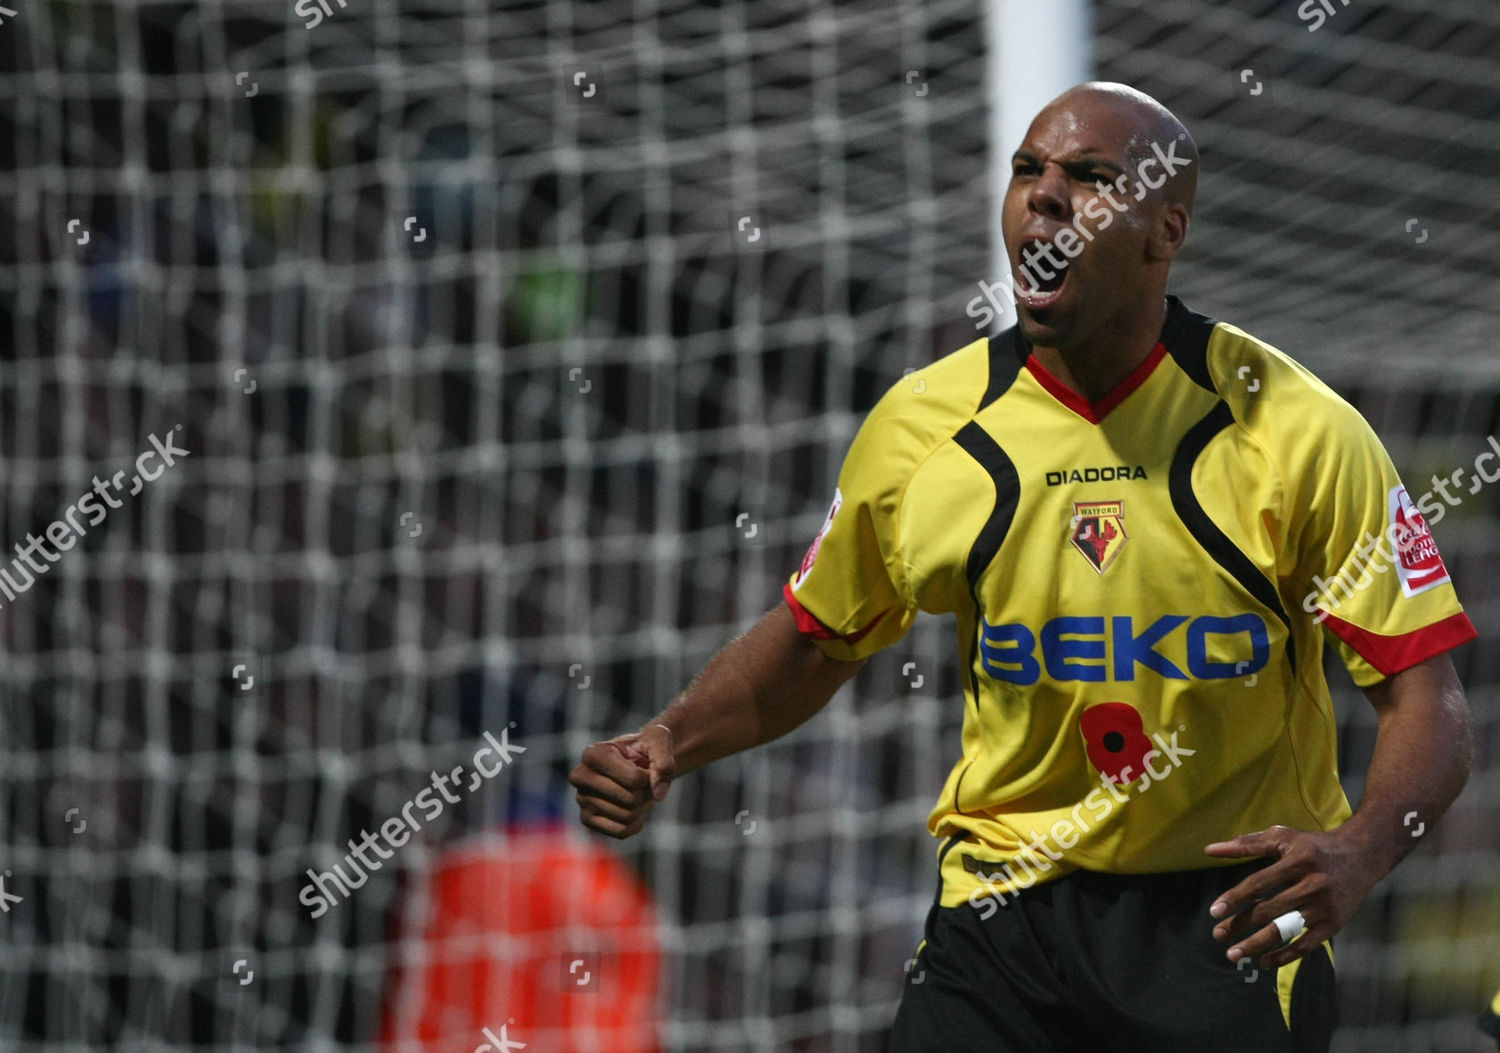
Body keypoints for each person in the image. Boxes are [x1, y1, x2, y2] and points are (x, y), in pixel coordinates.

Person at [568, 82, 1477, 1050]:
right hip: (999, 919)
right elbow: (814, 638)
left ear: (1165, 231)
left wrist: (1359, 851)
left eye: (1089, 176)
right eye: (1027, 171)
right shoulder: (924, 428)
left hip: (1228, 922)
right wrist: (667, 740)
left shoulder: (1298, 433)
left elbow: (1429, 701)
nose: (1044, 194)